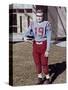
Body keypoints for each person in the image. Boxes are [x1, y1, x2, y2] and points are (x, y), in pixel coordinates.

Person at [23, 9, 52, 84]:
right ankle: (39, 77)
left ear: (43, 16)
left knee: (44, 63)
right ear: (36, 16)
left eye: (41, 16)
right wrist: (25, 36)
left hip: (43, 45)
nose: (39, 17)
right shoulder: (33, 23)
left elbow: (48, 37)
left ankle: (48, 78)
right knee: (37, 63)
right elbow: (29, 33)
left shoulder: (46, 23)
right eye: (38, 16)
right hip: (35, 45)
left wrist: (47, 50)